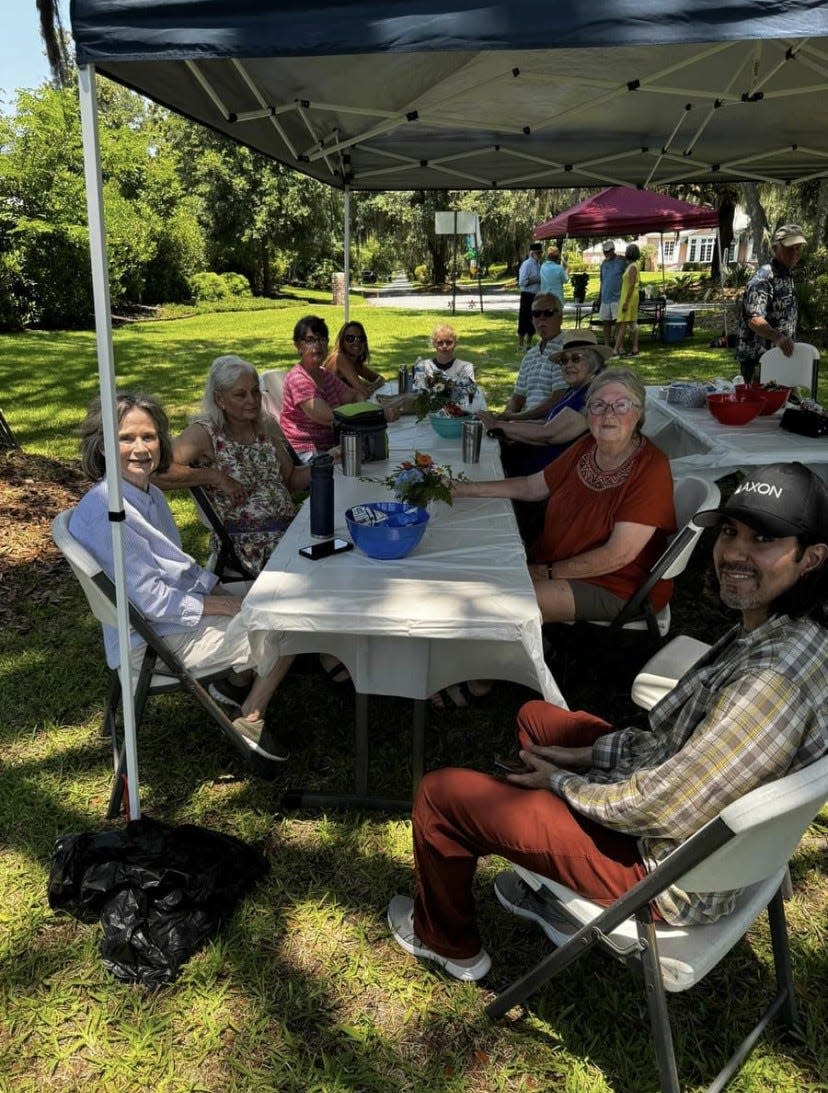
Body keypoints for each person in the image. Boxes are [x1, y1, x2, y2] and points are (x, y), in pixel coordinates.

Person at [387, 461, 828, 981]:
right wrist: (586, 756)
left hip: (664, 869)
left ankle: (447, 943)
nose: (735, 552)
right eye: (731, 532)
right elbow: (678, 749)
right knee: (539, 719)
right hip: (689, 820)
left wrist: (565, 784)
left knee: (442, 796)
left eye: (764, 540)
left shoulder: (772, 682)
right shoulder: (788, 628)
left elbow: (668, 805)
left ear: (811, 559)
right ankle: (548, 895)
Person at [69, 393, 294, 767]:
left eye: (149, 437)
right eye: (126, 438)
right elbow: (152, 602)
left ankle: (234, 683)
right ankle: (251, 715)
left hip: (165, 622)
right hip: (153, 644)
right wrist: (220, 604)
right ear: (103, 446)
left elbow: (179, 566)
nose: (140, 449)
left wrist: (217, 590)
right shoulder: (109, 513)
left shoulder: (148, 494)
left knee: (279, 600)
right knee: (290, 625)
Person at [458, 368, 675, 625]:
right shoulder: (587, 447)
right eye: (598, 405)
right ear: (587, 413)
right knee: (474, 561)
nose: (608, 414)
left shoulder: (651, 467)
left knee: (498, 602)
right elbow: (532, 486)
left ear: (638, 413)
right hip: (559, 561)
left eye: (621, 405)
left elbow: (617, 555)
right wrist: (464, 489)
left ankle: (514, 659)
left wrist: (544, 572)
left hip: (615, 583)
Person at [154, 355, 308, 578]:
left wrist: (330, 462)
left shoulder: (264, 425)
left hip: (290, 533)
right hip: (248, 547)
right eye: (240, 394)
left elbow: (291, 480)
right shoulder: (205, 433)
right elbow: (156, 470)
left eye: (255, 391)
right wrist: (215, 477)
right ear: (220, 400)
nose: (252, 400)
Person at [477, 332, 612, 478]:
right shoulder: (574, 391)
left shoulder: (591, 397)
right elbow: (546, 422)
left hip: (549, 473)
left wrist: (497, 424)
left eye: (576, 359)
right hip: (536, 460)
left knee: (482, 463)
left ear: (593, 362)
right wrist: (510, 425)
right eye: (564, 361)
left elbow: (548, 434)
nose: (568, 365)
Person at [279, 315, 398, 458]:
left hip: (332, 446)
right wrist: (378, 415)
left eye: (322, 339)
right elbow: (331, 417)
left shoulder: (324, 374)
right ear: (298, 346)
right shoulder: (298, 379)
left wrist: (362, 409)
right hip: (306, 454)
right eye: (310, 340)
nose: (317, 345)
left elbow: (354, 395)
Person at [736, 224, 806, 384]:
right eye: (790, 248)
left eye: (798, 248)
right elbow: (753, 319)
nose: (795, 253)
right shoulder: (764, 278)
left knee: (789, 405)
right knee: (764, 408)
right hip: (759, 361)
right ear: (775, 248)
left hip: (781, 357)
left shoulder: (786, 275)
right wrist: (778, 337)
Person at [488, 294, 567, 422]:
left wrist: (517, 417)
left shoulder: (567, 351)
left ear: (561, 317)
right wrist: (506, 415)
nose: (542, 318)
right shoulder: (530, 355)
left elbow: (558, 399)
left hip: (549, 426)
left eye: (548, 313)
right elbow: (518, 397)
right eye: (536, 314)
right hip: (525, 424)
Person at [324, 320, 385, 398]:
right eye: (350, 338)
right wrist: (368, 387)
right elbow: (365, 393)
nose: (356, 342)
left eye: (361, 338)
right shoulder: (340, 358)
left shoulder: (353, 361)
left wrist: (370, 387)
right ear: (342, 341)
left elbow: (380, 378)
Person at [597, 240, 626, 347]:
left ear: (613, 250)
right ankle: (606, 346)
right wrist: (599, 297)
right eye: (604, 252)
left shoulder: (621, 261)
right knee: (606, 323)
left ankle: (620, 346)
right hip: (605, 298)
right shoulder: (603, 264)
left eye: (608, 251)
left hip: (617, 298)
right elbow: (602, 281)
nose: (606, 254)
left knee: (619, 324)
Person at [613, 243, 640, 357]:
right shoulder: (633, 264)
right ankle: (635, 349)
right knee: (633, 322)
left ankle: (615, 350)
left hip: (629, 297)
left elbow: (631, 285)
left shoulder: (632, 267)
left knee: (623, 323)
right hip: (631, 296)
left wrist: (626, 302)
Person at [517, 241, 543, 348]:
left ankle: (529, 343)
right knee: (524, 318)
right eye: (538, 253)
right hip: (527, 295)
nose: (540, 255)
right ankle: (520, 343)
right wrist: (535, 280)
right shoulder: (526, 264)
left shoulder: (538, 264)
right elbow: (522, 282)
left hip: (536, 295)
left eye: (541, 252)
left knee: (533, 319)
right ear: (532, 253)